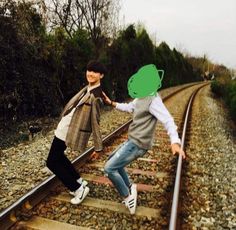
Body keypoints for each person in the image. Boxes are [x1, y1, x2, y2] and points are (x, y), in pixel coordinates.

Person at [102, 64, 185, 214]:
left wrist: (175, 141)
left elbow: (168, 120)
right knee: (113, 160)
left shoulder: (153, 99)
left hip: (138, 144)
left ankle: (128, 197)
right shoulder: (141, 95)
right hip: (132, 140)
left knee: (109, 168)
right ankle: (129, 187)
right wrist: (112, 103)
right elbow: (130, 107)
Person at [46, 60, 106, 205]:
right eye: (89, 70)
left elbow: (95, 123)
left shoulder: (96, 96)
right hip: (64, 128)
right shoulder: (88, 89)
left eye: (95, 71)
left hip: (69, 131)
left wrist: (98, 147)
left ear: (101, 75)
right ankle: (79, 181)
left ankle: (77, 188)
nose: (90, 73)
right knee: (58, 157)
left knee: (52, 162)